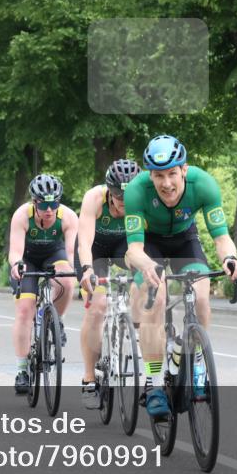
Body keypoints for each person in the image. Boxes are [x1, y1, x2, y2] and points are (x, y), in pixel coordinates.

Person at [123, 134, 237, 419]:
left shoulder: (203, 184)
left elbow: (221, 237)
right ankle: (154, 384)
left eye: (172, 174)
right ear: (150, 175)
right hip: (150, 245)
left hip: (185, 240)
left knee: (201, 297)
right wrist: (147, 265)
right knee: (156, 298)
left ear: (184, 170)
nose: (166, 183)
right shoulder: (136, 191)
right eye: (158, 176)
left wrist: (230, 259)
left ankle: (193, 362)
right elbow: (133, 249)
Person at [76, 159, 141, 409]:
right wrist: (87, 270)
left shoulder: (144, 200)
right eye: (117, 194)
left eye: (128, 195)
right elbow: (84, 241)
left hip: (125, 248)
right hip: (95, 252)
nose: (123, 200)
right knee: (98, 306)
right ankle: (89, 377)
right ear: (109, 190)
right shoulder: (94, 198)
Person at [7, 173, 79, 394]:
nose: (49, 210)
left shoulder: (68, 217)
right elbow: (15, 251)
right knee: (24, 310)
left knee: (67, 281)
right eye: (43, 205)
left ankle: (57, 320)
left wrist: (76, 269)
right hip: (27, 259)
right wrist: (17, 265)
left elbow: (70, 252)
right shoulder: (22, 215)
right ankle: (22, 370)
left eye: (54, 204)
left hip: (53, 255)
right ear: (34, 202)